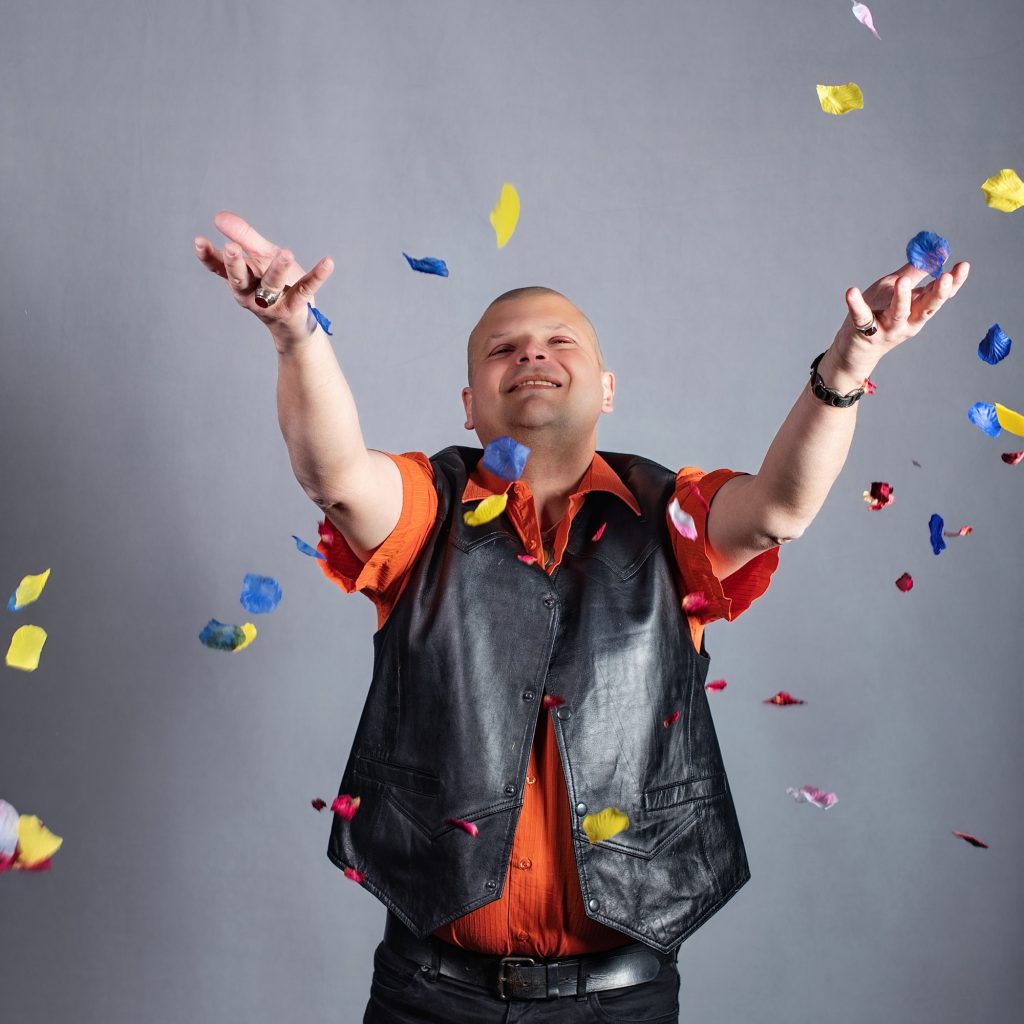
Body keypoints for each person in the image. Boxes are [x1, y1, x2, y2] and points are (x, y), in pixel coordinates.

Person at [195, 212, 969, 1022]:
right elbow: (338, 477)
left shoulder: (674, 513)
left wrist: (847, 366)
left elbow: (776, 510)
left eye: (559, 341)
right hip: (427, 994)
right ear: (469, 403)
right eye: (502, 347)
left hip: (620, 1001)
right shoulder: (427, 508)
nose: (530, 353)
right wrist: (295, 336)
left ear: (607, 388)